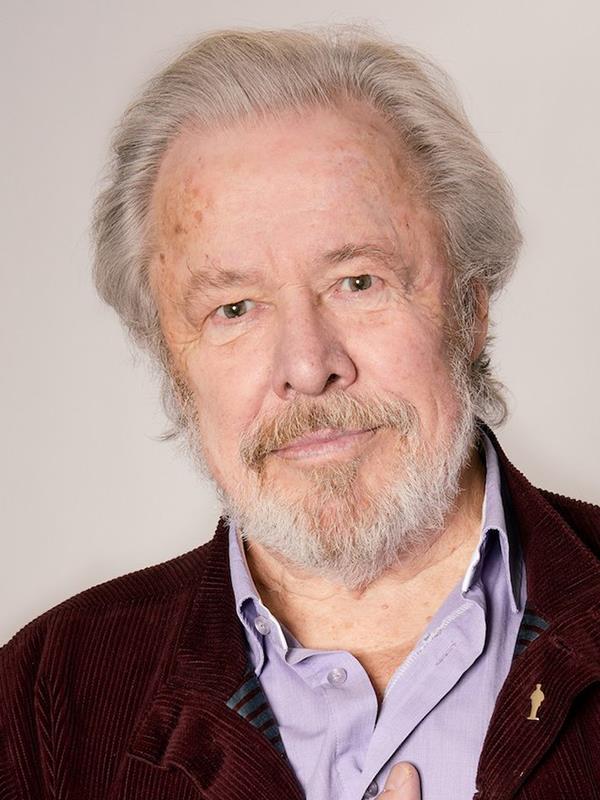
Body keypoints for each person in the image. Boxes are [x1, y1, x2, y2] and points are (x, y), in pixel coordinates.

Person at [1, 25, 598, 800]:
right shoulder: (46, 699)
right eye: (234, 307)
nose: (309, 368)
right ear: (172, 362)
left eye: (358, 281)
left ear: (470, 306)